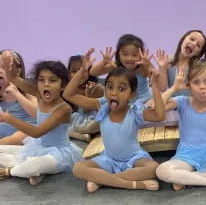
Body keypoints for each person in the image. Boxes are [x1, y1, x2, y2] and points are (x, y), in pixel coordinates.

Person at [63, 49, 166, 193]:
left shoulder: (134, 111)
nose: (114, 92)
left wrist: (155, 87)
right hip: (108, 159)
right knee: (78, 168)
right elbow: (68, 94)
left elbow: (160, 116)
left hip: (134, 158)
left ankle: (103, 180)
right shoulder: (101, 107)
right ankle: (131, 184)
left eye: (121, 89)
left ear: (132, 94)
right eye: (110, 87)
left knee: (154, 168)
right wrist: (82, 72)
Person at [0, 53, 81, 185]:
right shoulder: (38, 94)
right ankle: (33, 171)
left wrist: (9, 118)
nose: (46, 85)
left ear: (62, 85)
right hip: (39, 147)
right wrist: (11, 64)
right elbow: (14, 78)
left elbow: (37, 132)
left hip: (59, 153)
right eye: (41, 80)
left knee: (34, 164)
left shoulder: (64, 109)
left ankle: (9, 171)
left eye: (52, 80)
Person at [89, 34, 154, 104]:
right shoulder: (115, 65)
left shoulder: (142, 67)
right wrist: (103, 62)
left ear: (141, 54)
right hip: (118, 102)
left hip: (141, 102)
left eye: (134, 55)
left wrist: (147, 65)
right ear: (118, 54)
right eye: (125, 54)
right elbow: (93, 72)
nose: (129, 58)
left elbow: (155, 78)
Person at [67, 55, 104, 142]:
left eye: (82, 70)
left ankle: (86, 131)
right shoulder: (70, 89)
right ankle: (81, 135)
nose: (78, 74)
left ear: (89, 71)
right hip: (79, 118)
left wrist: (89, 95)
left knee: (95, 124)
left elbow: (89, 110)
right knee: (63, 127)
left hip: (93, 117)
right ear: (68, 74)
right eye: (73, 71)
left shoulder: (96, 87)